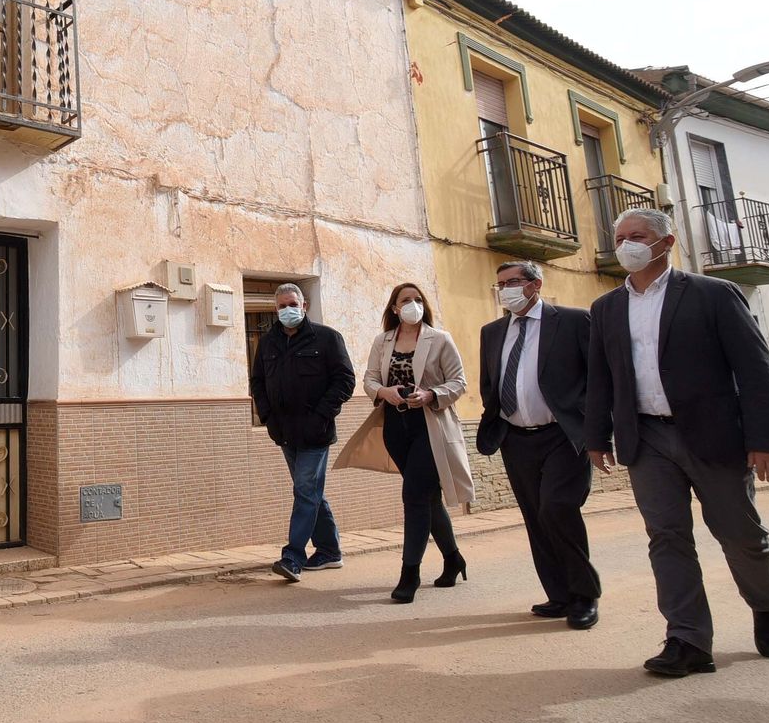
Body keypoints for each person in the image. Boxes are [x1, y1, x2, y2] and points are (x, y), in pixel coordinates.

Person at [586, 207, 769, 677]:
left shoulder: (714, 295)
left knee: (739, 534)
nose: (626, 246)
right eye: (619, 239)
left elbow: (755, 369)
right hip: (646, 438)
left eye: (636, 236)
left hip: (714, 435)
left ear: (666, 243)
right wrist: (597, 437)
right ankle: (688, 639)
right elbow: (602, 379)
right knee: (667, 537)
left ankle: (766, 605)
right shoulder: (606, 309)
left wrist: (767, 439)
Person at [477, 261, 601, 630]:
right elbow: (491, 381)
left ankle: (584, 594)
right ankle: (559, 594)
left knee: (558, 508)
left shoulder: (574, 321)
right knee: (536, 516)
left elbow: (598, 378)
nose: (505, 290)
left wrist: (598, 432)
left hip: (563, 435)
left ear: (536, 284)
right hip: (516, 438)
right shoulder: (492, 331)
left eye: (512, 282)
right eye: (499, 284)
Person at [335, 283, 473, 603]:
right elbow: (369, 378)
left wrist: (430, 394)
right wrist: (384, 392)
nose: (412, 304)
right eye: (405, 300)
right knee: (427, 497)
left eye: (417, 299)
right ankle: (453, 558)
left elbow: (458, 382)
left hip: (430, 425)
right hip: (395, 426)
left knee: (413, 495)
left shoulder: (440, 339)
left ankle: (409, 572)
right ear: (394, 309)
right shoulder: (382, 342)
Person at [249, 282, 357, 582]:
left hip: (316, 433)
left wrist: (321, 415)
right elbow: (257, 381)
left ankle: (293, 556)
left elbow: (345, 381)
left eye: (292, 304)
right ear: (275, 309)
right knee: (309, 492)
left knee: (305, 490)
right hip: (284, 433)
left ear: (304, 305)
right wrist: (268, 416)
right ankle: (329, 551)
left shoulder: (326, 338)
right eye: (282, 306)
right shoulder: (268, 342)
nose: (287, 310)